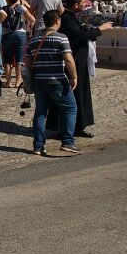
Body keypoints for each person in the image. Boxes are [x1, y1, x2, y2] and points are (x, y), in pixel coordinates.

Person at [47, 0, 112, 138]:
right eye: (83, 2)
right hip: (74, 62)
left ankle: (78, 126)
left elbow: (81, 33)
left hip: (80, 61)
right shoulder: (67, 19)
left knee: (80, 95)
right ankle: (63, 128)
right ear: (76, 5)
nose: (85, 4)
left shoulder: (72, 17)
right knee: (70, 95)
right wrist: (100, 29)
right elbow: (78, 37)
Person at [27, 11, 80, 156]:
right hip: (57, 80)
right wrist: (74, 77)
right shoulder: (61, 37)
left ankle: (38, 146)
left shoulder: (33, 39)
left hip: (39, 81)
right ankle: (68, 142)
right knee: (70, 109)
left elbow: (28, 62)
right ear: (57, 21)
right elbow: (68, 59)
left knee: (40, 113)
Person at [1, 0, 35, 88]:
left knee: (7, 59)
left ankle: (8, 82)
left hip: (7, 34)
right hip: (20, 34)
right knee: (20, 58)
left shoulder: (4, 9)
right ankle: (18, 81)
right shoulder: (21, 8)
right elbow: (32, 19)